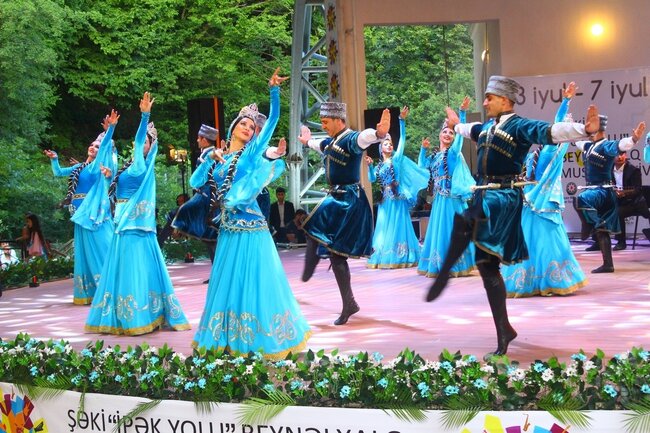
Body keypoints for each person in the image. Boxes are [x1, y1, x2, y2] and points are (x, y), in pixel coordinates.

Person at [425, 75, 602, 357]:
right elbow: (467, 130)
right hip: (486, 194)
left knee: (468, 222)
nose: (484, 103)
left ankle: (445, 272)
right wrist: (455, 124)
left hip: (503, 198)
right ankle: (504, 330)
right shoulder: (487, 128)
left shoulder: (520, 126)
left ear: (505, 100)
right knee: (487, 266)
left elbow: (550, 131)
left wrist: (584, 129)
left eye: (489, 98)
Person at [191, 68, 311, 358]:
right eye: (243, 124)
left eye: (251, 126)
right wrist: (208, 158)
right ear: (233, 128)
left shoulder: (250, 152)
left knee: (257, 282)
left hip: (253, 227)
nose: (248, 128)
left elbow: (273, 122)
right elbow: (196, 182)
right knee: (227, 283)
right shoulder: (217, 157)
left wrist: (274, 91)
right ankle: (228, 337)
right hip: (228, 229)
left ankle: (258, 338)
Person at [85, 92, 190, 335]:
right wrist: (110, 172)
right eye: (139, 143)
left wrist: (144, 117)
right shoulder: (128, 167)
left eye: (145, 143)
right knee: (125, 272)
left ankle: (136, 318)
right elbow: (106, 163)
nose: (140, 145)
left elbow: (139, 136)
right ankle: (131, 315)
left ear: (150, 148)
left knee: (134, 272)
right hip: (122, 224)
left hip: (134, 227)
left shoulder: (142, 164)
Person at [298, 101, 390, 325]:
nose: (323, 126)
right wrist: (307, 141)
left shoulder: (350, 139)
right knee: (317, 233)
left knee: (330, 246)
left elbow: (364, 138)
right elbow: (318, 144)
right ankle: (346, 300)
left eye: (325, 122)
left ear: (339, 120)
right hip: (336, 199)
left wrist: (378, 134)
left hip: (349, 201)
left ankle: (345, 299)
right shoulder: (330, 142)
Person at [501, 82, 587, 297]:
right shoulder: (536, 152)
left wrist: (566, 101)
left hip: (544, 203)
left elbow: (558, 123)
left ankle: (552, 280)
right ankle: (531, 281)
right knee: (531, 242)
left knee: (548, 243)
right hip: (530, 202)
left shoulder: (555, 148)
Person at [44, 110, 119, 305]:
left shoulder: (97, 167)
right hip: (78, 214)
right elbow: (58, 172)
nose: (93, 147)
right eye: (92, 145)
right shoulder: (79, 168)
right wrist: (54, 158)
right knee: (84, 253)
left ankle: (109, 288)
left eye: (97, 146)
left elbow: (106, 147)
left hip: (92, 212)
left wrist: (110, 130)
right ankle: (89, 292)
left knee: (101, 248)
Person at [575, 118, 646, 271]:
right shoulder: (588, 146)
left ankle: (589, 224)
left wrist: (634, 139)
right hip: (597, 190)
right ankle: (608, 264)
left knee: (580, 199)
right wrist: (570, 124)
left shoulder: (606, 145)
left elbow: (621, 145)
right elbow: (576, 141)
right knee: (603, 231)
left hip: (603, 191)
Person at [417, 97, 476, 278]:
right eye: (445, 132)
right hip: (439, 201)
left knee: (452, 231)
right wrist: (423, 149)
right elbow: (421, 165)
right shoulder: (435, 157)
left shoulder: (452, 154)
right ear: (439, 135)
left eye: (451, 133)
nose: (448, 135)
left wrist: (462, 115)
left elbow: (460, 141)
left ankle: (455, 265)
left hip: (452, 200)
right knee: (440, 233)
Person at [365, 105, 429, 269]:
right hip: (385, 201)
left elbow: (403, 139)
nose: (389, 145)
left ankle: (401, 254)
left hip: (398, 198)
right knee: (384, 227)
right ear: (381, 148)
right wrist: (370, 167)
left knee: (399, 225)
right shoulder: (379, 166)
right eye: (386, 143)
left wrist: (401, 121)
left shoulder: (397, 160)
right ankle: (384, 254)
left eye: (390, 143)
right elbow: (372, 179)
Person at [171, 124, 220, 263]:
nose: (197, 140)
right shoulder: (210, 153)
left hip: (207, 196)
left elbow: (200, 180)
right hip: (207, 195)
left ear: (204, 139)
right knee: (210, 238)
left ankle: (172, 234)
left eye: (199, 138)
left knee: (179, 213)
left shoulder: (208, 155)